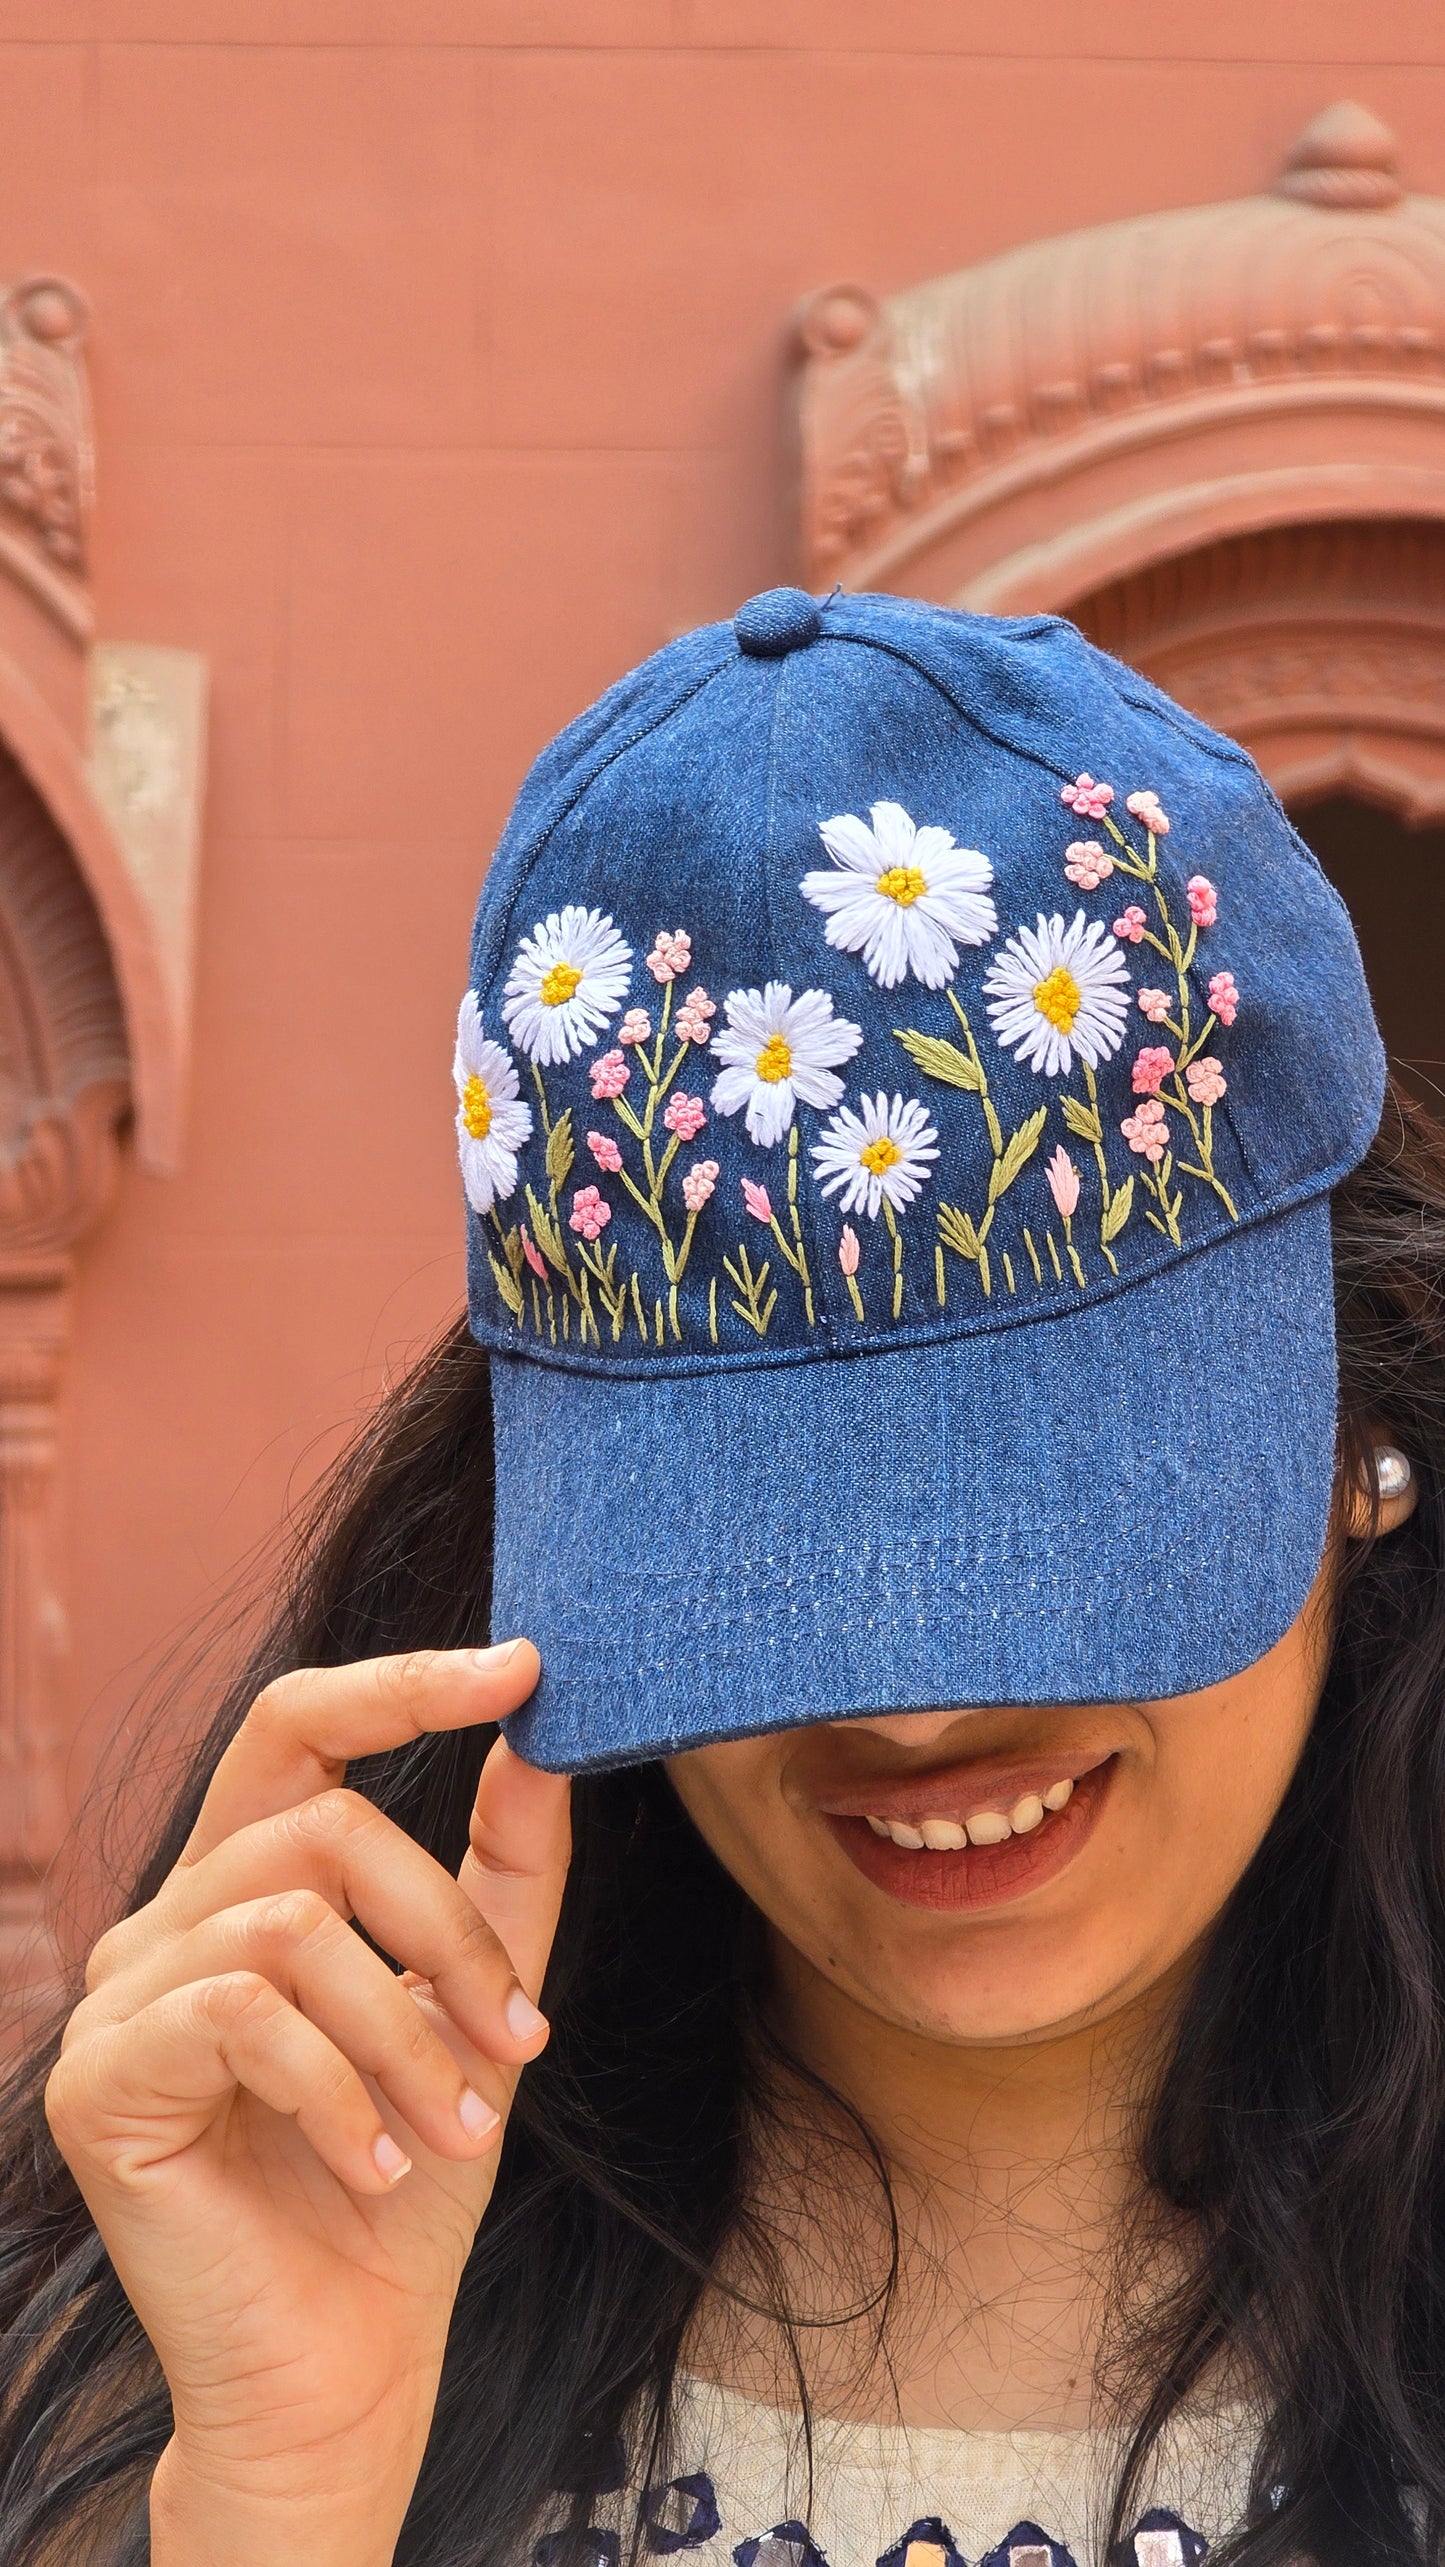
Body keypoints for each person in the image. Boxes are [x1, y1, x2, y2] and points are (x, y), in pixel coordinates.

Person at [0, 588, 1441, 2567]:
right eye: (770, 1558)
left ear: (1361, 1441)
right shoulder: (211, 2348)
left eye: (1053, 1527)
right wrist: (278, 2497)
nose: (918, 1712)